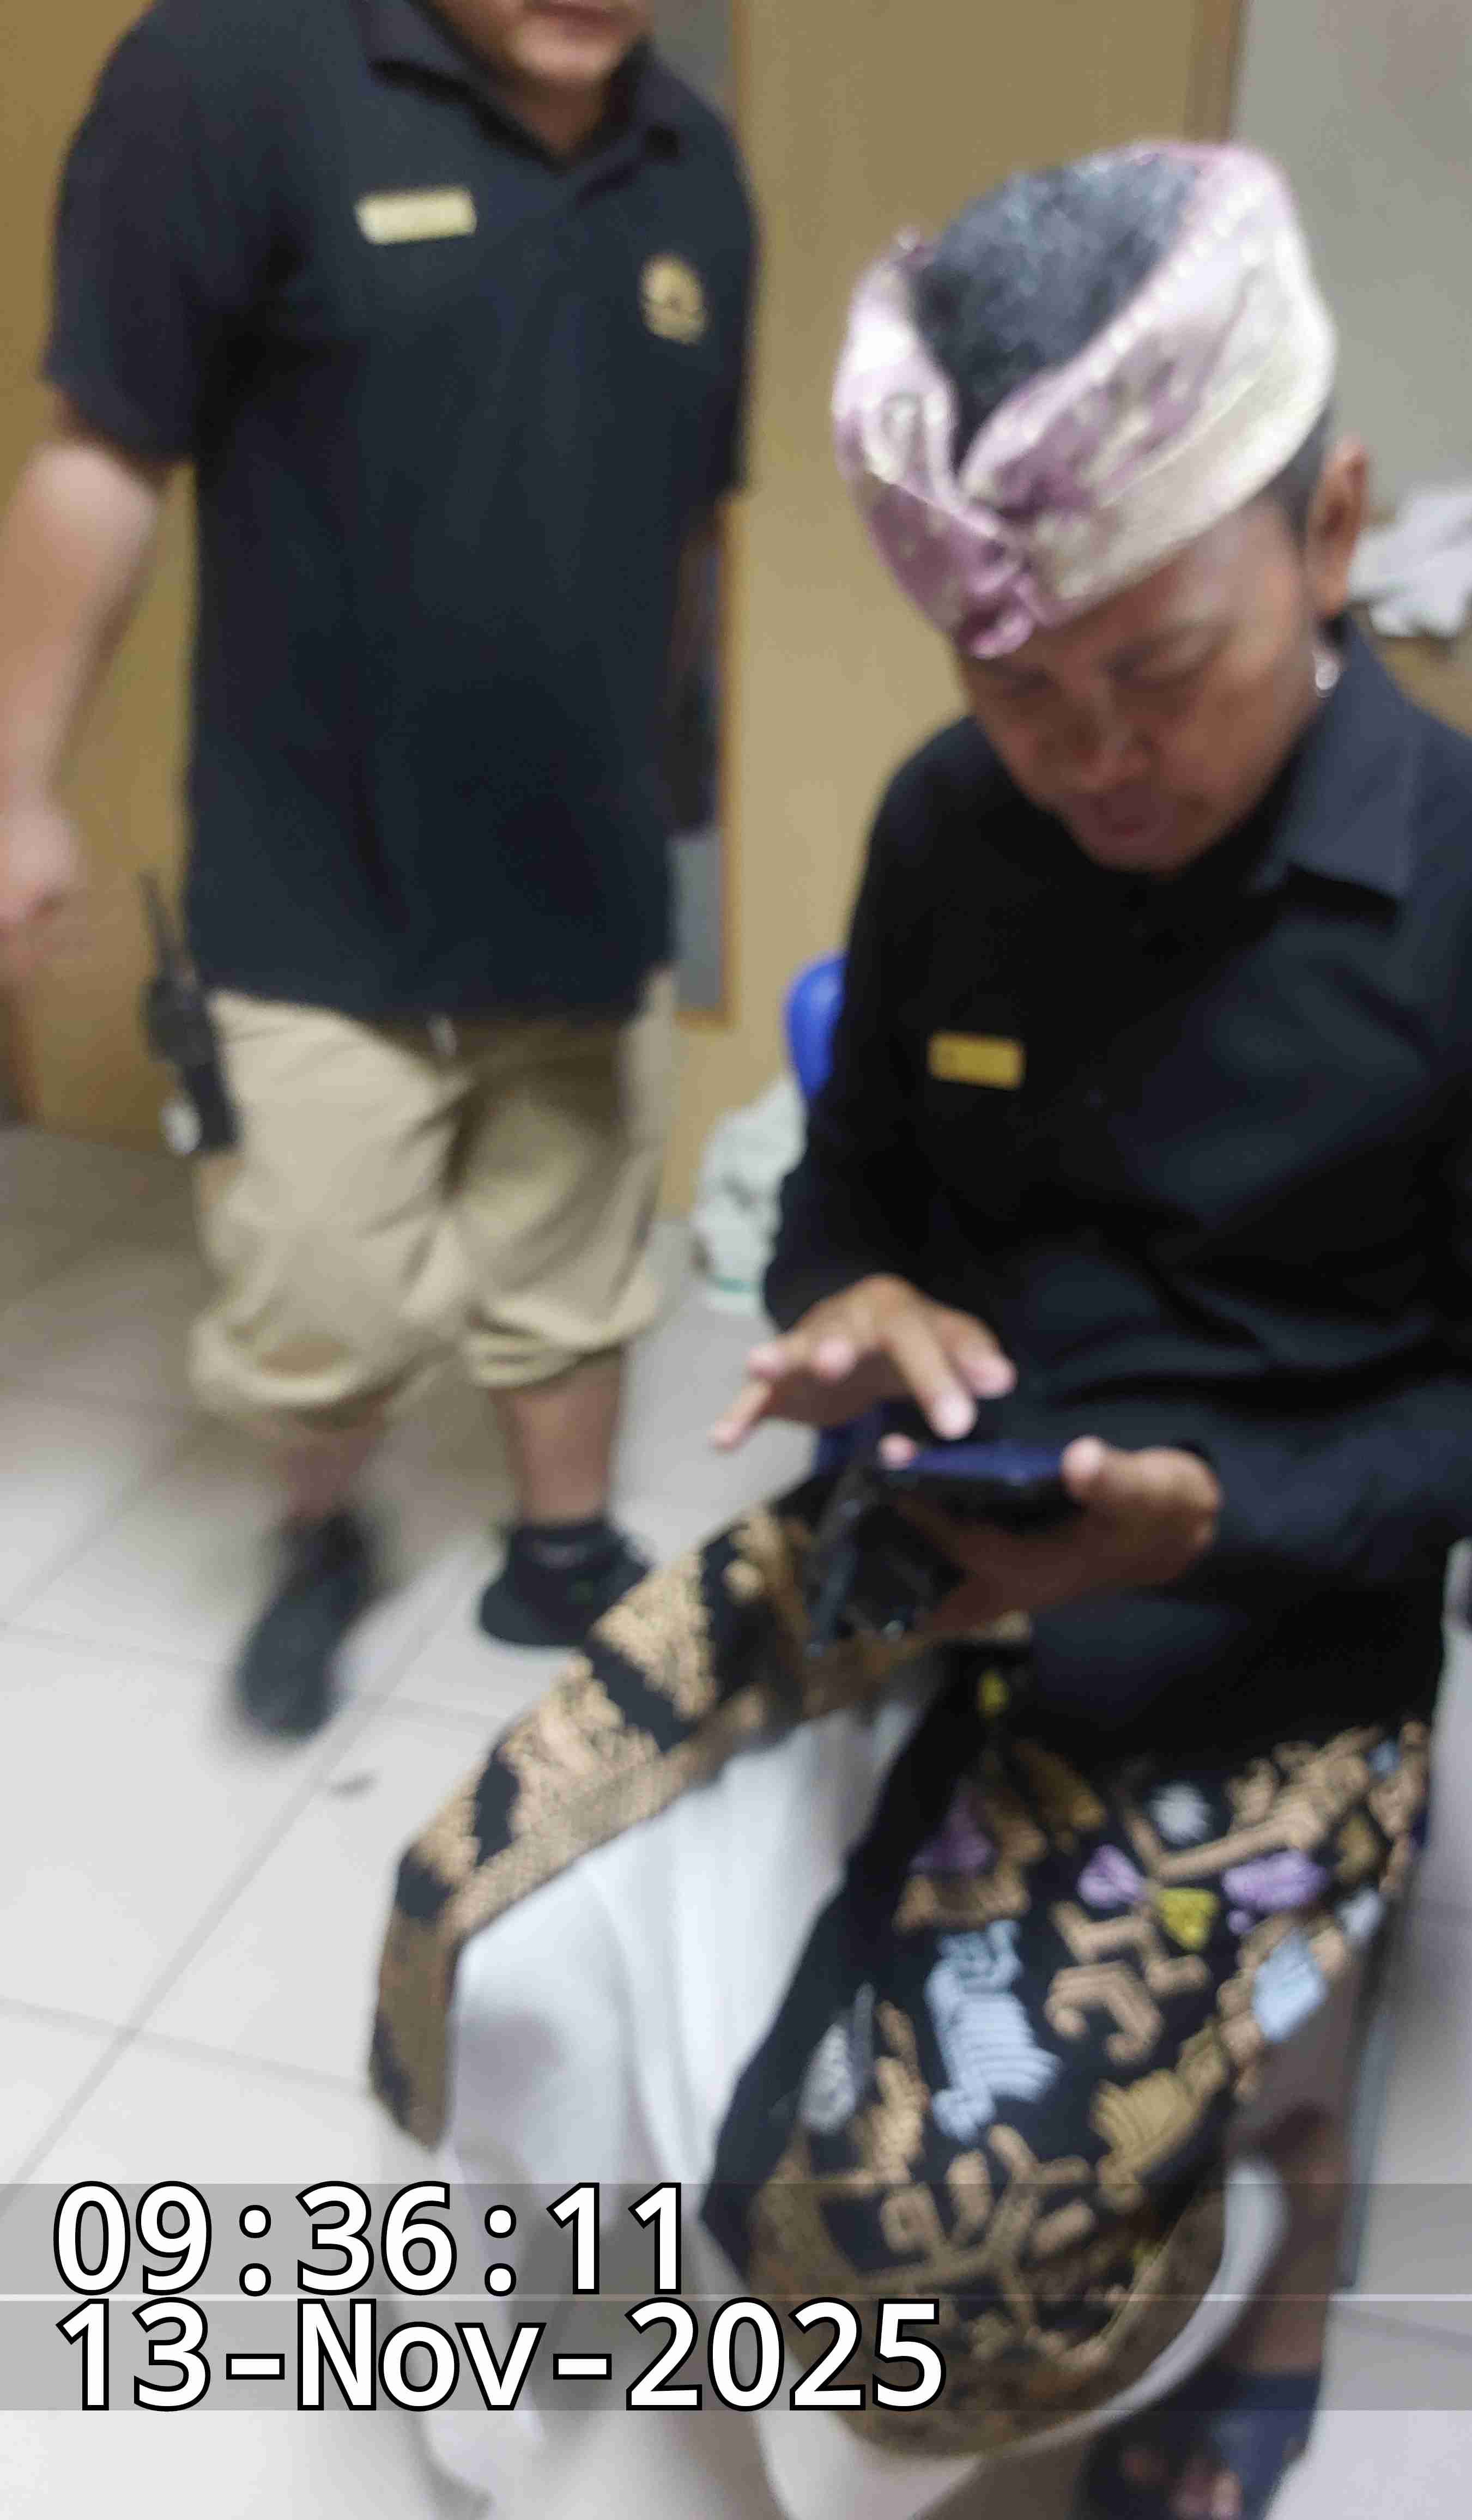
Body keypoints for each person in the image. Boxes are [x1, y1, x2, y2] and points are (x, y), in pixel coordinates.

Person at [372, 141, 1472, 2519]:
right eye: (1018, 683)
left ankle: (1258, 2239)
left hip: (1262, 1631)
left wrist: (1214, 1516)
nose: (1091, 757)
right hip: (922, 1540)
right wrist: (843, 1295)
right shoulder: (954, 826)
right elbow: (846, 1192)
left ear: (1331, 529)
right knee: (468, 1924)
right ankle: (598, 2356)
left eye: (1157, 672)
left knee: (898, 2258)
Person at [0, 0, 755, 1736]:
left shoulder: (692, 164)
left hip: (583, 876)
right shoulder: (228, 75)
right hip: (312, 878)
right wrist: (16, 785)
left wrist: (682, 773)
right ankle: (321, 1540)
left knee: (571, 1253)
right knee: (322, 1296)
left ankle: (562, 1553)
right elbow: (101, 452)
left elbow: (692, 518)